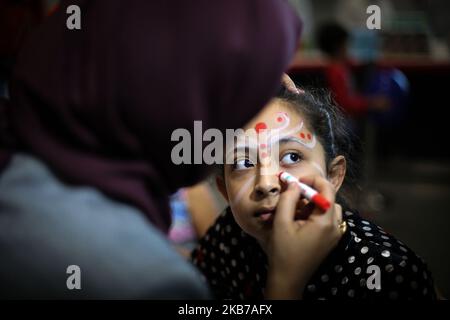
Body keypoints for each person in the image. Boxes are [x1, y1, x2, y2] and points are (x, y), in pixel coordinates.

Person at [0, 0, 302, 298]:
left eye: (291, 156)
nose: (266, 181)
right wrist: (286, 283)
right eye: (231, 109)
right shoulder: (149, 281)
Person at [191, 84, 437, 300]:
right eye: (243, 163)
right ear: (224, 191)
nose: (266, 184)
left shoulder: (387, 273)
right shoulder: (229, 236)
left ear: (333, 175)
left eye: (291, 156)